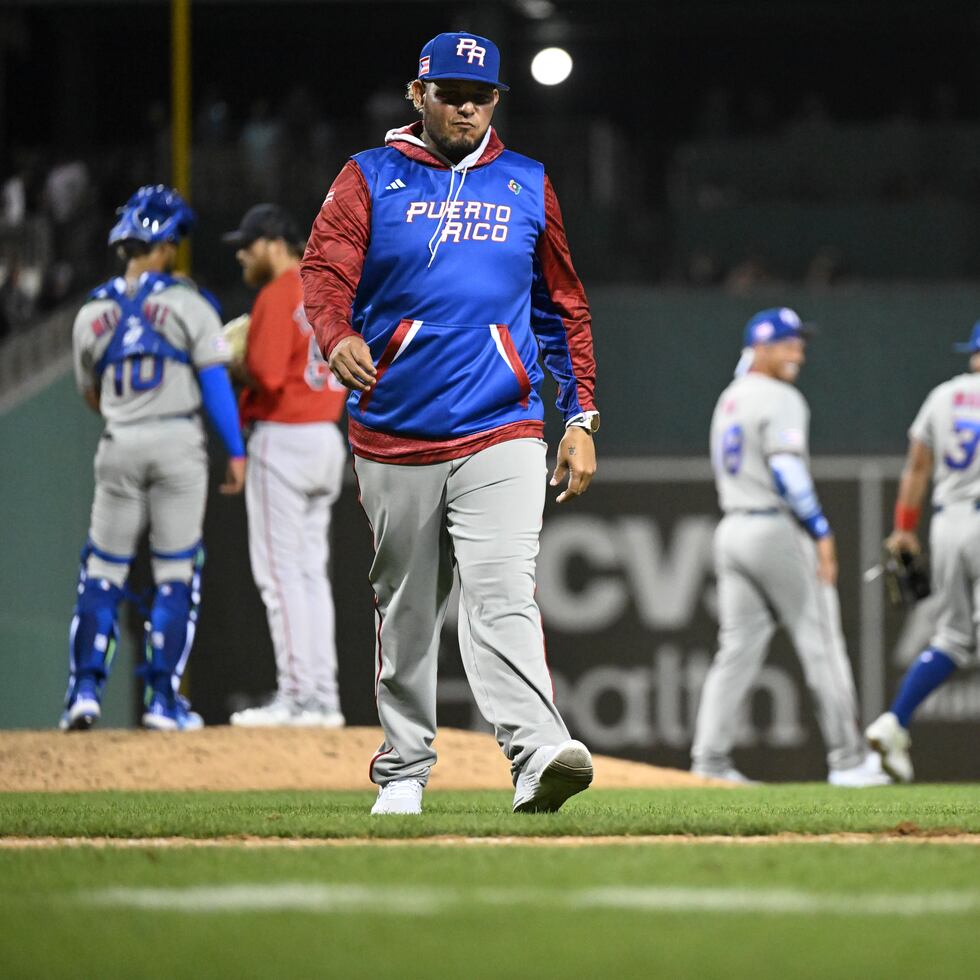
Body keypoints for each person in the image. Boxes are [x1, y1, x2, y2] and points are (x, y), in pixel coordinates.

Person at [301, 31, 599, 815]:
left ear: (497, 100)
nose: (465, 105)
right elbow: (325, 269)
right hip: (394, 428)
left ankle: (537, 753)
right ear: (418, 94)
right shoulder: (368, 176)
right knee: (405, 606)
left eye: (480, 95)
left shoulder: (527, 182)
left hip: (501, 423)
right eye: (450, 92)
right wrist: (336, 336)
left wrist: (582, 417)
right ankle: (403, 767)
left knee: (502, 588)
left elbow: (561, 305)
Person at [60, 184, 246, 733]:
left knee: (102, 570)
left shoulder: (89, 313)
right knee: (174, 573)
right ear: (166, 243)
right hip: (177, 444)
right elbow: (214, 385)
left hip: (119, 439)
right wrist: (234, 450)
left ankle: (83, 692)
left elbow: (90, 393)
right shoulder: (190, 303)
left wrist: (128, 415)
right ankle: (162, 701)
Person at [690, 307, 888, 786]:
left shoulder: (730, 397)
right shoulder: (779, 396)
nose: (798, 349)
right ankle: (848, 760)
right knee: (821, 643)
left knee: (734, 651)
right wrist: (820, 529)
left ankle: (709, 763)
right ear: (761, 347)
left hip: (732, 528)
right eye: (786, 341)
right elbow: (787, 469)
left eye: (799, 340)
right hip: (773, 527)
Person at [221, 204, 348, 727]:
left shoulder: (278, 292)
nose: (242, 254)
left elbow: (267, 376)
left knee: (280, 578)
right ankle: (324, 697)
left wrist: (232, 362)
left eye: (249, 244)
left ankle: (299, 697)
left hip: (284, 439)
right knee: (310, 575)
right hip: (326, 435)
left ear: (274, 242)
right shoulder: (331, 288)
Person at [866, 321, 980, 782]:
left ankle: (894, 723)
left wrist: (904, 530)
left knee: (952, 638)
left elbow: (917, 466)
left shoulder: (943, 396)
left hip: (948, 522)